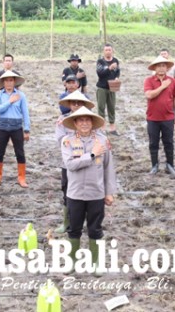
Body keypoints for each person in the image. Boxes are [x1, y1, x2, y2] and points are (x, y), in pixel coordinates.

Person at [61, 107, 117, 275]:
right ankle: (72, 261)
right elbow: (70, 164)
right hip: (75, 193)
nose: (84, 123)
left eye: (87, 120)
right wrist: (91, 155)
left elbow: (108, 168)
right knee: (74, 228)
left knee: (95, 228)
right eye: (81, 120)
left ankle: (96, 262)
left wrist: (109, 192)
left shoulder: (102, 140)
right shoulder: (67, 141)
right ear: (75, 123)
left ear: (92, 123)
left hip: (96, 193)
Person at [55, 91, 95, 234]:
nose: (76, 105)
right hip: (68, 163)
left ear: (84, 104)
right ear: (69, 105)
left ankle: (87, 222)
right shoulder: (62, 120)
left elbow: (97, 141)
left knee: (91, 192)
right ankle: (67, 222)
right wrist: (75, 137)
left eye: (80, 102)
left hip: (90, 163)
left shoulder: (92, 120)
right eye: (73, 103)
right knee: (68, 192)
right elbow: (61, 141)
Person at [0, 71, 31, 188]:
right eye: (6, 80)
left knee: (20, 152)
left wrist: (27, 129)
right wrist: (10, 101)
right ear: (3, 82)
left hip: (17, 127)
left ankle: (22, 177)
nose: (9, 83)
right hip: (3, 127)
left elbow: (25, 113)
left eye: (11, 80)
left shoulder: (21, 95)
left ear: (14, 82)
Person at [144, 55, 175, 177]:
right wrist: (163, 86)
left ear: (167, 68)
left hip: (168, 117)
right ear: (154, 68)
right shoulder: (149, 80)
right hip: (152, 118)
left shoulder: (173, 81)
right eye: (158, 66)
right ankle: (154, 165)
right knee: (153, 143)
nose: (161, 68)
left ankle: (169, 165)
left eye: (163, 66)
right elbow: (149, 95)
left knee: (169, 142)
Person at [95, 44, 120, 134]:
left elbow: (118, 71)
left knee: (112, 107)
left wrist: (117, 77)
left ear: (112, 51)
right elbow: (100, 74)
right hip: (102, 87)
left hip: (112, 87)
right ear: (103, 51)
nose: (108, 51)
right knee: (101, 107)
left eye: (109, 50)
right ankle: (102, 127)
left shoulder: (116, 61)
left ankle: (112, 128)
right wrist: (109, 68)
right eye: (106, 50)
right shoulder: (100, 62)